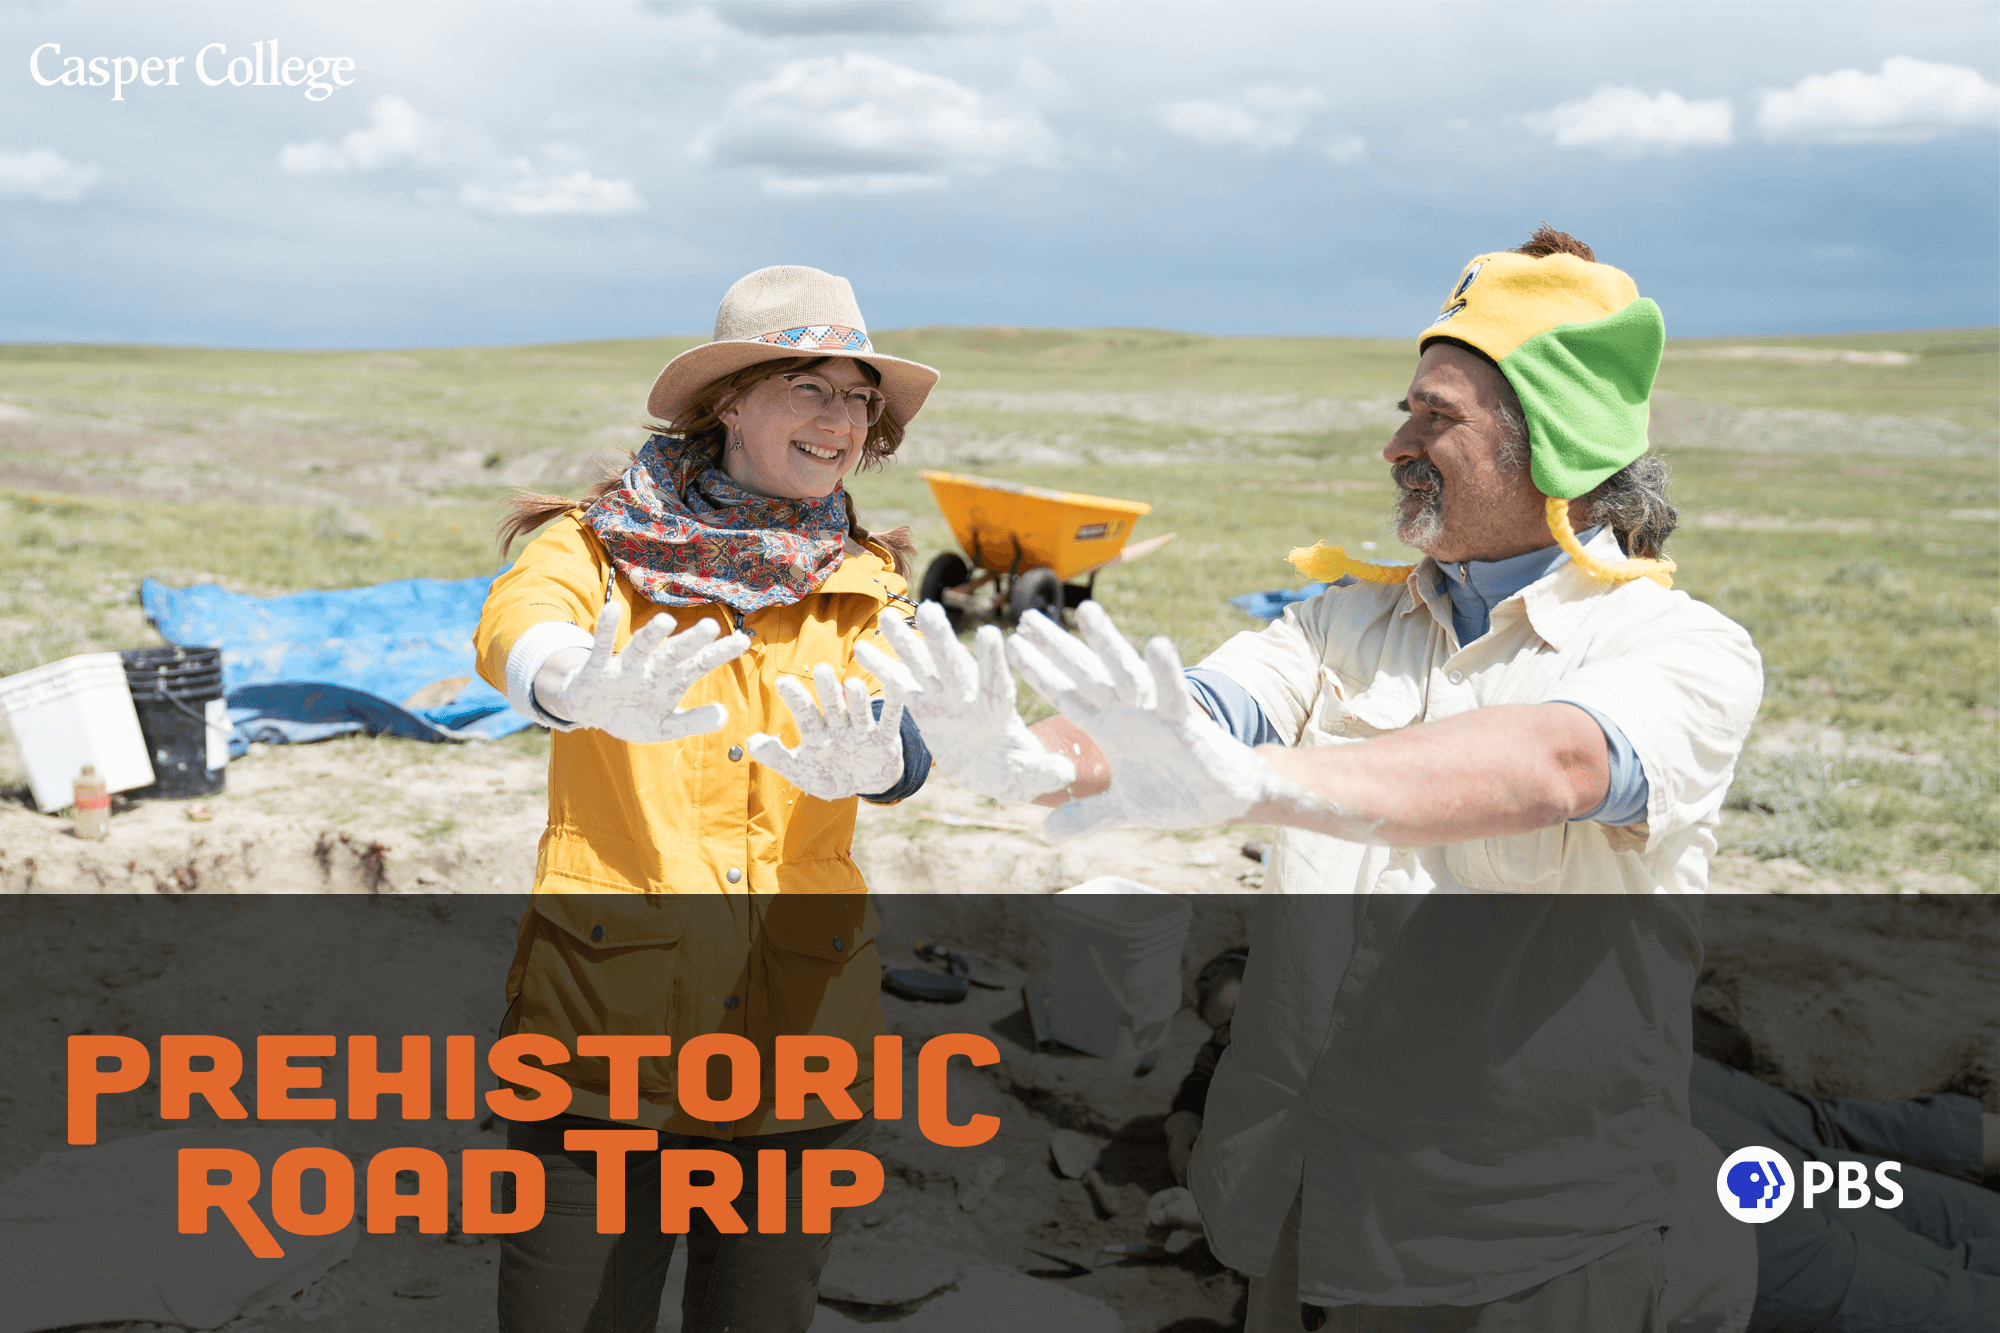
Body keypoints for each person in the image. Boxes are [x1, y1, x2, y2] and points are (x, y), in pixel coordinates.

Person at [849, 227, 1768, 1330]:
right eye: (1404, 410)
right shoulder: (1348, 619)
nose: (1396, 444)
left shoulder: (1679, 649)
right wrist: (1024, 755)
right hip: (1301, 1197)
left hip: (1511, 1243)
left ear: (1555, 440)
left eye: (1436, 416)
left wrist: (1246, 782)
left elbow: (1552, 762)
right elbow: (1199, 713)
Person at [472, 265, 938, 1333]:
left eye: (858, 397)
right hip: (602, 1044)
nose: (841, 422)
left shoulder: (861, 577)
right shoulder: (593, 548)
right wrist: (569, 680)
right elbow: (518, 622)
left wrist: (885, 762)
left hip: (797, 1049)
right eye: (809, 389)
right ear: (730, 398)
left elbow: (899, 723)